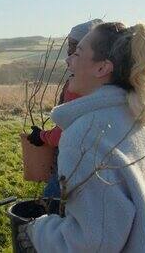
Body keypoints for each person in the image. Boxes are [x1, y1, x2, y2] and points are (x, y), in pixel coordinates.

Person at [19, 22, 145, 252]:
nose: (68, 60)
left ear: (102, 68)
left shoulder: (85, 136)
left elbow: (91, 244)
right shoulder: (139, 126)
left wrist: (39, 230)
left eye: (78, 53)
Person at [27, 19, 102, 198]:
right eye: (69, 45)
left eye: (75, 46)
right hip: (94, 166)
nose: (69, 52)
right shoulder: (101, 84)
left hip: (72, 163)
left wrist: (41, 136)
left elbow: (65, 132)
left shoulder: (79, 85)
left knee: (52, 205)